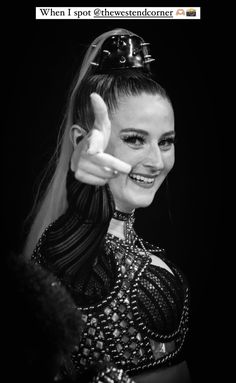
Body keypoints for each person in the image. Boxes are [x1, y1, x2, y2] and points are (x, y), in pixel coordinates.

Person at [24, 28, 191, 382]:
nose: (156, 161)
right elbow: (71, 260)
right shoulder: (72, 256)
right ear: (82, 141)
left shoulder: (138, 249)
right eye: (134, 139)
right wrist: (85, 192)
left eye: (166, 142)